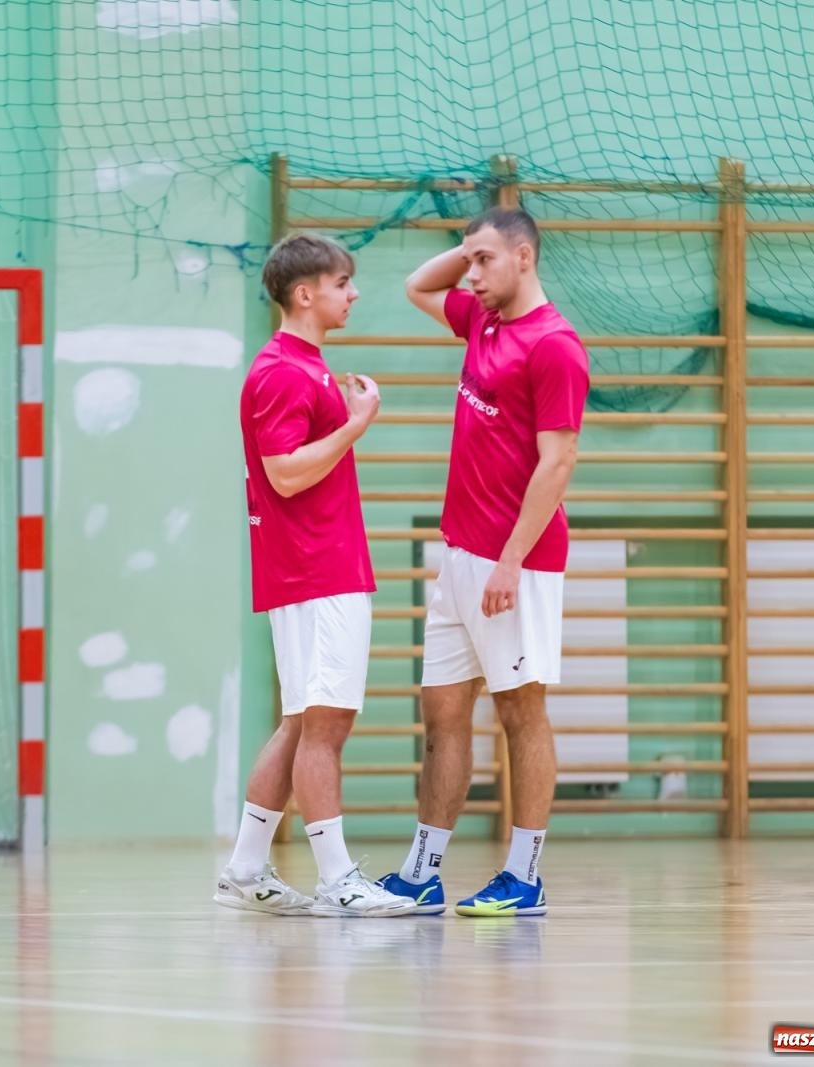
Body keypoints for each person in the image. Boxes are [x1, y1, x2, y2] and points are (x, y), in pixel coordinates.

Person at [377, 207, 588, 917]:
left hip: (514, 563)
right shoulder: (482, 320)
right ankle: (422, 871)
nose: (470, 275)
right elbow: (415, 284)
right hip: (459, 556)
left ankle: (524, 877)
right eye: (469, 262)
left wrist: (509, 560)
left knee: (521, 714)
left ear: (525, 257)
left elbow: (558, 464)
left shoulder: (555, 346)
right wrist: (470, 247)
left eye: (486, 261)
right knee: (441, 712)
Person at [213, 233, 415, 918]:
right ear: (306, 294)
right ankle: (337, 878)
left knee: (304, 722)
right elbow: (285, 471)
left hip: (316, 567)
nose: (353, 293)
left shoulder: (304, 366)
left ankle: (245, 865)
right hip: (314, 569)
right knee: (325, 723)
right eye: (342, 282)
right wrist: (358, 424)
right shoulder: (282, 373)